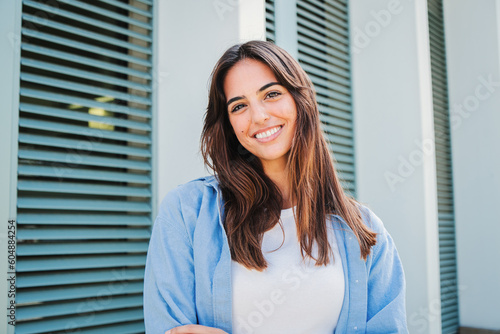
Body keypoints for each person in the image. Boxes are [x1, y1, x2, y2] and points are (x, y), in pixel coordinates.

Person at [143, 40, 408, 334]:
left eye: (271, 94)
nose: (258, 116)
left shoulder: (365, 231)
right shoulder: (185, 213)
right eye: (239, 106)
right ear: (228, 123)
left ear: (300, 100)